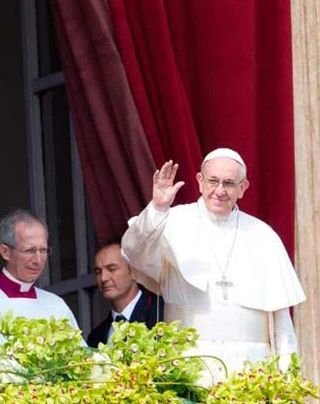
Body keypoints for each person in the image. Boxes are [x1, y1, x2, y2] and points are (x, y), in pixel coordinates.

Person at [121, 148, 305, 380]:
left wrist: (288, 379)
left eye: (228, 183)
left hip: (253, 371)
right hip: (189, 365)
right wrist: (158, 208)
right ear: (199, 181)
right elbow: (134, 252)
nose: (219, 191)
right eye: (213, 181)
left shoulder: (263, 235)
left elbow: (281, 322)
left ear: (243, 188)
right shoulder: (173, 221)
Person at [0, 210, 80, 359]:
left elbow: (79, 357)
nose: (38, 260)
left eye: (43, 250)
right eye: (29, 251)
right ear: (5, 252)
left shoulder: (56, 305)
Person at [86, 242, 162, 347]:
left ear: (133, 271)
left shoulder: (161, 313)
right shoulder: (95, 337)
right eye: (98, 271)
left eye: (112, 269)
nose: (103, 278)